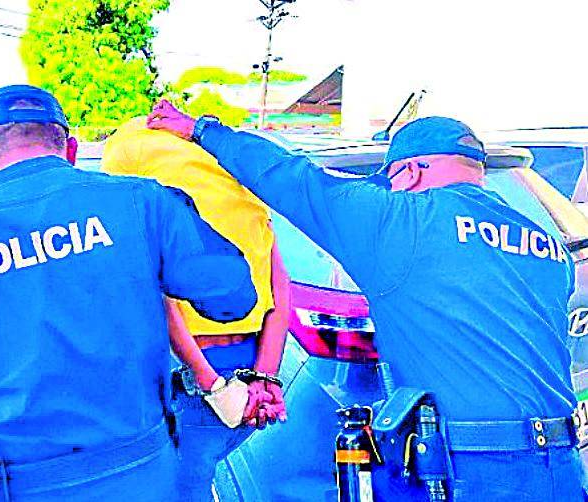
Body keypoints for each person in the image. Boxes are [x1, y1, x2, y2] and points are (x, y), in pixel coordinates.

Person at [147, 102, 582, 501]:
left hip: (473, 472)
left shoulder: (400, 220)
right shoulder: (549, 243)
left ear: (409, 173)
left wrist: (202, 130)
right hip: (562, 466)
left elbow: (290, 178)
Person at [0, 85, 257, 501]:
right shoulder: (142, 202)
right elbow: (233, 297)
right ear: (71, 150)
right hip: (138, 475)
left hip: (12, 483)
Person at [102, 117, 291, 501]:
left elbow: (158, 299)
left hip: (192, 372)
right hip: (248, 363)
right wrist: (265, 379)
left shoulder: (134, 166)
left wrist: (214, 386)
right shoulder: (240, 185)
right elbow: (280, 292)